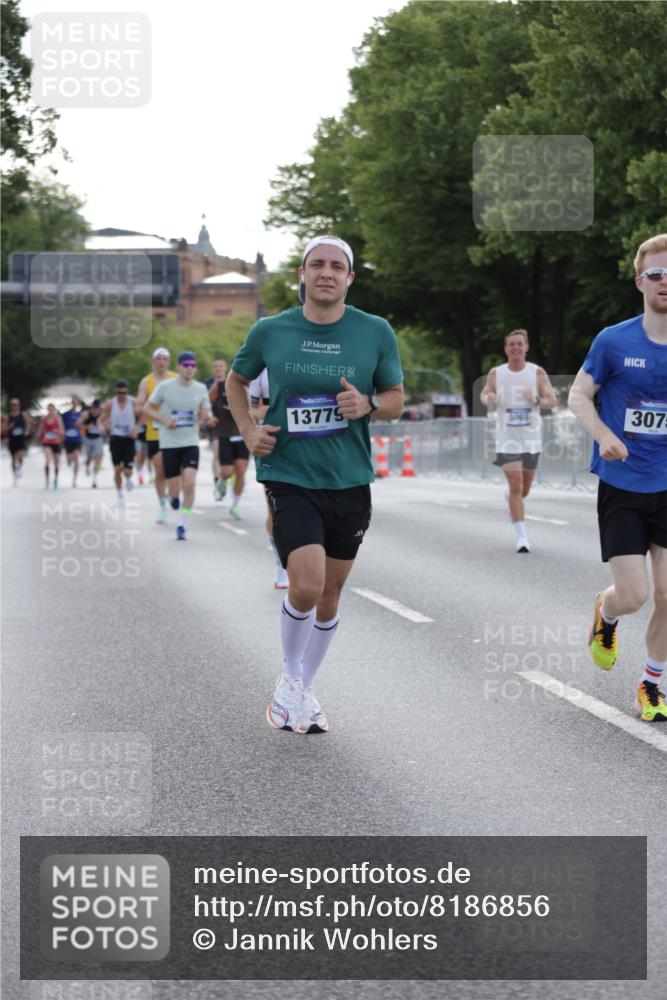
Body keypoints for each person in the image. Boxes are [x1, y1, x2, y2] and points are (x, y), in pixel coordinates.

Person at [227, 234, 404, 734]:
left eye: (337, 266)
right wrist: (247, 430)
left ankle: (304, 688)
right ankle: (289, 678)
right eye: (317, 264)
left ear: (349, 278)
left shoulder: (374, 331)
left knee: (330, 595)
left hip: (349, 478)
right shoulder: (271, 330)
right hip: (289, 474)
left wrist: (369, 405)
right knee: (305, 584)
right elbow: (236, 382)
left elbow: (394, 396)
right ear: (302, 275)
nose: (326, 272)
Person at [569, 232, 667, 723]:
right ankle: (605, 615)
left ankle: (651, 685)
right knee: (634, 595)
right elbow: (579, 396)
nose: (665, 281)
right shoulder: (613, 340)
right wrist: (604, 433)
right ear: (640, 282)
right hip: (625, 484)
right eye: (656, 273)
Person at [480, 329, 557, 552]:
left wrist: (534, 399)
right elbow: (485, 394)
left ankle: (511, 498)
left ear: (526, 347)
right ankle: (521, 536)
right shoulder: (497, 373)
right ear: (506, 349)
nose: (515, 348)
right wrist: (489, 398)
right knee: (516, 484)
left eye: (519, 344)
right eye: (511, 344)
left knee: (524, 490)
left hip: (531, 439)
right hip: (507, 439)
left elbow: (551, 401)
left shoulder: (537, 372)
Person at [143, 350, 215, 541]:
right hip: (169, 443)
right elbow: (147, 408)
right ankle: (173, 499)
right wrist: (164, 420)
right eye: (186, 365)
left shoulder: (200, 388)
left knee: (190, 482)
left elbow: (206, 409)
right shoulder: (165, 387)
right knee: (174, 489)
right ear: (179, 367)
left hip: (190, 441)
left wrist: (207, 417)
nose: (190, 368)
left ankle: (182, 523)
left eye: (193, 365)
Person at [250, 367, 288, 589]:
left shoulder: (305, 360)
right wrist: (269, 411)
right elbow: (250, 410)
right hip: (273, 448)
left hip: (308, 446)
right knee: (275, 512)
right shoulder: (260, 372)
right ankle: (281, 566)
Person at [135, 347, 177, 522]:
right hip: (155, 432)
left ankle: (172, 493)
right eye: (158, 359)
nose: (161, 362)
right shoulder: (147, 382)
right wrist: (150, 412)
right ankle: (162, 505)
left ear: (168, 361)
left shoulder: (176, 378)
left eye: (164, 359)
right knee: (160, 468)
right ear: (154, 361)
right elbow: (138, 407)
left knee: (175, 469)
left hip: (176, 431)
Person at [209, 355, 249, 519]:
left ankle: (235, 505)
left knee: (240, 470)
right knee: (227, 471)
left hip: (241, 433)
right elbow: (206, 402)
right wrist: (211, 415)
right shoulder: (218, 386)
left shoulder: (247, 386)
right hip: (224, 433)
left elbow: (254, 405)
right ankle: (221, 479)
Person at [100, 380, 137, 504]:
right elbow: (101, 420)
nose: (121, 395)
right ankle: (120, 495)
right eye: (119, 392)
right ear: (116, 391)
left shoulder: (133, 403)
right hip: (115, 439)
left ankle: (128, 478)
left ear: (127, 391)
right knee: (117, 470)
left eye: (124, 392)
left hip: (129, 440)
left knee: (127, 470)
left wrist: (137, 428)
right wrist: (105, 426)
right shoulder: (110, 404)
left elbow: (144, 416)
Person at [77, 399, 104, 488]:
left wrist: (102, 428)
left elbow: (107, 425)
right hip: (88, 439)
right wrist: (87, 426)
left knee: (97, 457)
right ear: (91, 408)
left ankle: (94, 479)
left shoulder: (102, 415)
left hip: (98, 439)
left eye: (98, 408)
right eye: (94, 408)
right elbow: (77, 424)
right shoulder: (86, 415)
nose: (96, 410)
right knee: (89, 458)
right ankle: (87, 465)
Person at [3, 398, 31, 485]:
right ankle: (15, 476)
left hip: (21, 439)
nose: (14, 406)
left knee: (21, 457)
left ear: (18, 406)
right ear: (11, 406)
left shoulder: (23, 416)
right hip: (12, 440)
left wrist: (26, 431)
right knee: (13, 459)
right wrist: (9, 427)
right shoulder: (8, 417)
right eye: (13, 405)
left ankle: (19, 469)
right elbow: (4, 429)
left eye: (16, 405)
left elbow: (27, 425)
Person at [39, 402, 65, 490]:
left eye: (52, 409)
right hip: (47, 442)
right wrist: (41, 433)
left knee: (57, 463)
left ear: (54, 409)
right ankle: (47, 480)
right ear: (47, 409)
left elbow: (62, 431)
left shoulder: (58, 418)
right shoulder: (44, 418)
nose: (50, 411)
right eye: (48, 409)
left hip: (56, 442)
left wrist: (56, 431)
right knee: (48, 459)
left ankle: (56, 480)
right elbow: (40, 430)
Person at [61, 395, 83, 488]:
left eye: (76, 402)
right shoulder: (65, 415)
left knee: (77, 458)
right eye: (73, 402)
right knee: (70, 460)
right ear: (71, 403)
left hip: (77, 439)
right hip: (68, 440)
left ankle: (74, 480)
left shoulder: (80, 415)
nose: (74, 404)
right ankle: (69, 459)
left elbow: (84, 426)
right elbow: (61, 426)